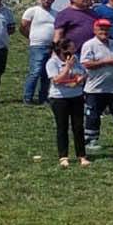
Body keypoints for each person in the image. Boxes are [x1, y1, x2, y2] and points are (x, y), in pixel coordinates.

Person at [80, 17, 113, 153]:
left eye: (106, 29)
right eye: (101, 28)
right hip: (95, 89)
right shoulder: (89, 45)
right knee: (93, 116)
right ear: (95, 29)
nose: (104, 31)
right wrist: (108, 61)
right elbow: (86, 64)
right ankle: (90, 141)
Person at [44, 37, 89, 166]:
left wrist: (81, 78)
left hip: (77, 96)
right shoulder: (52, 63)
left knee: (78, 126)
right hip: (59, 98)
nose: (72, 53)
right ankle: (63, 156)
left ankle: (82, 155)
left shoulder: (76, 61)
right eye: (70, 50)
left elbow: (84, 73)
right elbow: (56, 80)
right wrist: (67, 67)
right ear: (62, 51)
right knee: (62, 127)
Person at [21, 0, 57, 105]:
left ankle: (43, 97)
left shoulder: (56, 13)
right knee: (35, 72)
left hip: (51, 46)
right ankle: (28, 97)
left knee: (46, 74)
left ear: (53, 0)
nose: (46, 0)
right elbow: (23, 26)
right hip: (37, 46)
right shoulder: (32, 11)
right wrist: (32, 37)